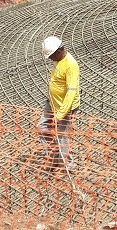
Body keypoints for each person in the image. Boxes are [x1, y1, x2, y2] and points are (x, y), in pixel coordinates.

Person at [37, 35, 80, 172]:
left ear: (58, 51)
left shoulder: (71, 65)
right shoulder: (58, 59)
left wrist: (60, 115)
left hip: (65, 107)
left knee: (61, 136)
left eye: (50, 56)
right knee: (42, 127)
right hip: (52, 102)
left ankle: (67, 165)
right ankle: (55, 157)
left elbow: (71, 91)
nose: (50, 59)